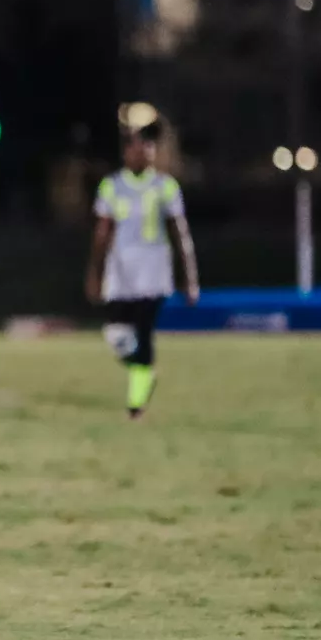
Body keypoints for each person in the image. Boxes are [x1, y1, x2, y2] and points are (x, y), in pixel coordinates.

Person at [87, 122, 200, 419]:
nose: (144, 152)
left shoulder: (165, 186)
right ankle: (144, 372)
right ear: (126, 153)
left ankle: (136, 403)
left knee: (144, 332)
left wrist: (190, 278)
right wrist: (95, 273)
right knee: (117, 334)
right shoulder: (111, 186)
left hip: (153, 271)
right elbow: (102, 233)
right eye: (138, 147)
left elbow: (180, 234)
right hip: (121, 270)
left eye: (148, 147)